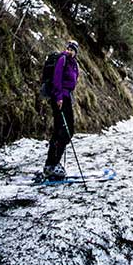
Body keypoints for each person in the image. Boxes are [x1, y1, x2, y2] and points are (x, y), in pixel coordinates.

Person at [43, 40, 79, 180]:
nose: (70, 50)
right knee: (63, 130)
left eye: (73, 49)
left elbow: (72, 81)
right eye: (68, 48)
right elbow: (57, 78)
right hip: (60, 98)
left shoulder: (73, 63)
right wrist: (58, 97)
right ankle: (52, 164)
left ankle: (52, 164)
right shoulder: (62, 59)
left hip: (66, 97)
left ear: (76, 52)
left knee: (66, 130)